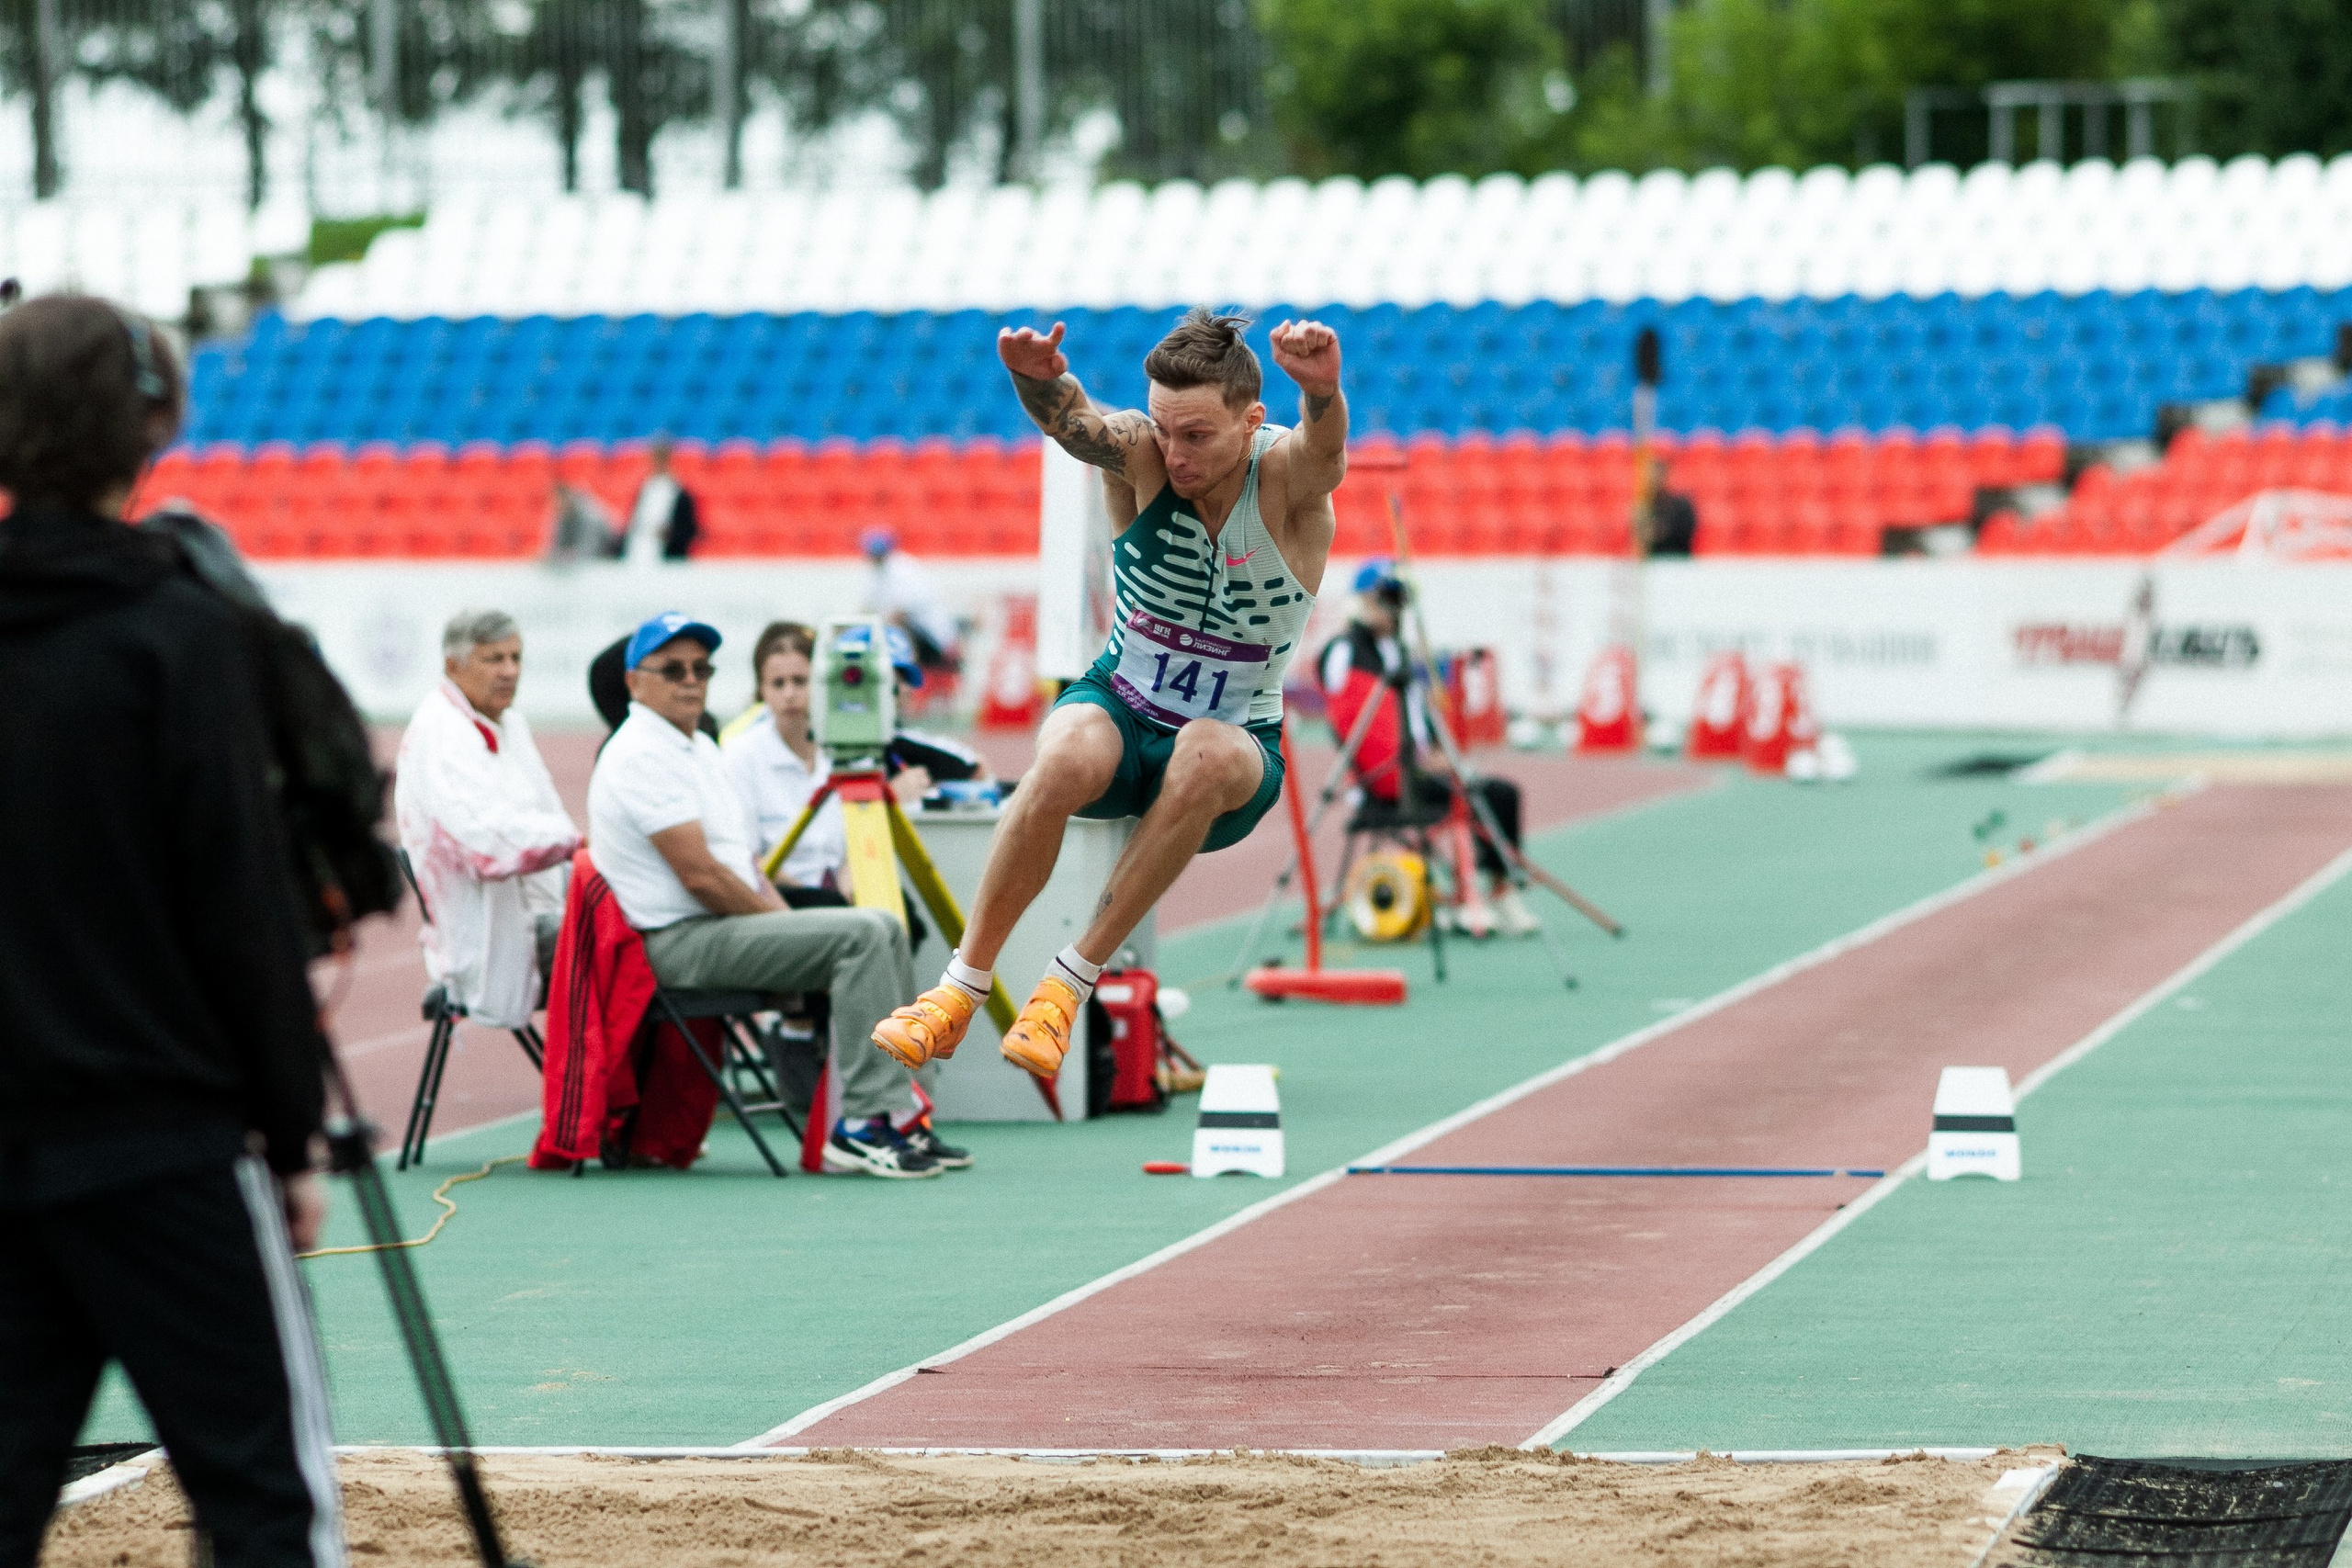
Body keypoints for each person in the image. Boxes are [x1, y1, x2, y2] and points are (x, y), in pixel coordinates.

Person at [0, 294, 345, 1565]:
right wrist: (293, 1130)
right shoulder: (181, 628)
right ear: (149, 424)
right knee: (262, 1496)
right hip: (161, 1141)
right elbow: (241, 901)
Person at [870, 306, 1348, 1077]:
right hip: (1123, 710)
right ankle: (958, 989)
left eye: (1197, 435)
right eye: (1166, 428)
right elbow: (1077, 426)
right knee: (1060, 757)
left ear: (1252, 420)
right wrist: (1038, 384)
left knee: (1200, 751)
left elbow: (1325, 447)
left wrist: (1322, 389)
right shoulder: (1143, 454)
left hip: (1230, 753)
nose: (1175, 452)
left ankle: (1067, 984)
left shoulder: (1287, 479)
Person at [587, 612, 966, 1179]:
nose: (691, 680)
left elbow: (739, 865)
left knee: (885, 924)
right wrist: (779, 925)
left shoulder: (695, 745)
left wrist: (786, 926)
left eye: (700, 668)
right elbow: (702, 878)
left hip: (712, 927)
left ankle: (900, 1113)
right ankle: (862, 1124)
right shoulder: (642, 752)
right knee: (862, 933)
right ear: (635, 682)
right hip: (672, 942)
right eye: (673, 670)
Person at [1317, 561, 1539, 938]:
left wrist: (1434, 751)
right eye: (1386, 599)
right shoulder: (1346, 650)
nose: (1395, 609)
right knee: (1477, 794)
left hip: (1418, 766)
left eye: (1399, 600)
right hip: (1385, 778)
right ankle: (1471, 895)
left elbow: (1418, 716)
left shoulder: (1399, 651)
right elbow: (1353, 713)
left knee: (1501, 794)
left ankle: (1499, 892)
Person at [393, 608, 582, 1029]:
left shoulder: (511, 724)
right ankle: (597, 1086)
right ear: (452, 666)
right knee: (632, 945)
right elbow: (486, 846)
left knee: (641, 921)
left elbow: (549, 814)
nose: (510, 671)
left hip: (536, 916)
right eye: (494, 659)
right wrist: (577, 843)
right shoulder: (441, 734)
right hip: (483, 938)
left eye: (515, 658)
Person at [721, 619, 989, 898]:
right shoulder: (741, 752)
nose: (790, 694)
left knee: (902, 919)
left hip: (838, 884)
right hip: (782, 897)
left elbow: (973, 766)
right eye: (887, 682)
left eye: (800, 682)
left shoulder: (868, 744)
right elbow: (745, 860)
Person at [860, 526, 961, 677]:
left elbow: (903, 610)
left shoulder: (902, 569)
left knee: (893, 635)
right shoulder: (878, 573)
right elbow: (870, 606)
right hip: (918, 632)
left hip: (928, 633)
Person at [616, 435, 699, 563]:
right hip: (638, 555)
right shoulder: (644, 490)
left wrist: (670, 535)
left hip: (668, 560)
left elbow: (690, 531)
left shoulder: (681, 494)